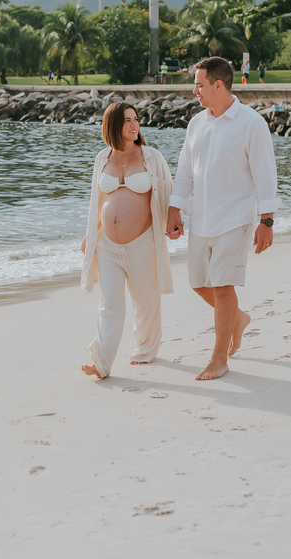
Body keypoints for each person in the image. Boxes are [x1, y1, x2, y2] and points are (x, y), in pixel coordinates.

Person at [167, 56, 280, 381]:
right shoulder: (197, 124)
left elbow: (265, 174)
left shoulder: (251, 123)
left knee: (221, 286)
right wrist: (175, 208)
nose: (194, 90)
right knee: (198, 283)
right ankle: (239, 318)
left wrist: (267, 219)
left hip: (236, 219)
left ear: (218, 85)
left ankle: (219, 358)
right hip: (201, 217)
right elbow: (186, 172)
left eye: (199, 84)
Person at [80, 102, 175, 379]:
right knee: (110, 304)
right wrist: (90, 233)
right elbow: (97, 201)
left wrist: (174, 219)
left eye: (136, 119)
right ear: (113, 126)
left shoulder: (151, 157)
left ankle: (145, 348)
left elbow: (167, 191)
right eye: (127, 121)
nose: (135, 125)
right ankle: (101, 362)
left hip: (142, 242)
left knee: (145, 301)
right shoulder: (102, 158)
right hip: (106, 245)